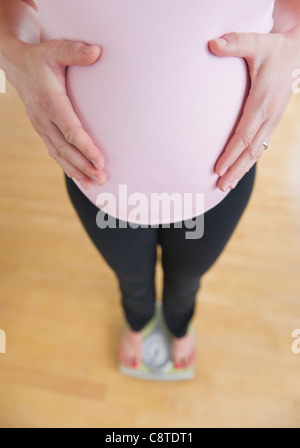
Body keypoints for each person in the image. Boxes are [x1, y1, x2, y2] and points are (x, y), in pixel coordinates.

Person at [0, 0, 299, 371]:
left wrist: (295, 48)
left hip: (219, 181)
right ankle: (138, 319)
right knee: (131, 277)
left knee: (188, 278)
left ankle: (179, 322)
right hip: (99, 182)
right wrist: (10, 51)